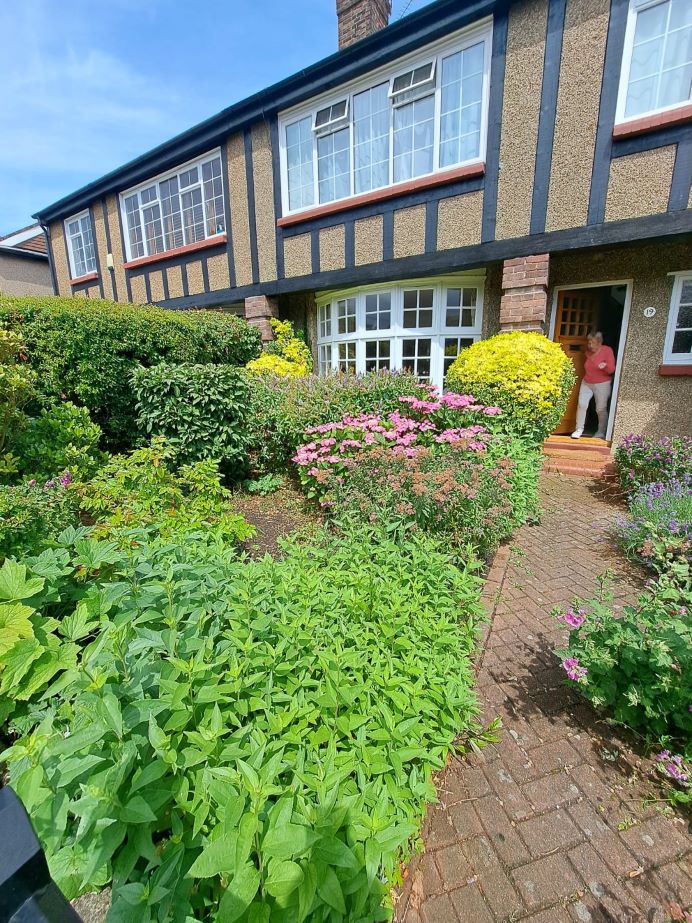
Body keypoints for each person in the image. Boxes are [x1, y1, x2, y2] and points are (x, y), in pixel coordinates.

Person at [572, 331, 616, 440]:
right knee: (582, 404)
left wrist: (605, 365)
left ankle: (601, 432)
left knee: (600, 408)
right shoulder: (588, 352)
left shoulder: (607, 350)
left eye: (592, 342)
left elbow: (612, 369)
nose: (590, 345)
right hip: (587, 382)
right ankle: (579, 429)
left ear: (599, 342)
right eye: (589, 342)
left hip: (602, 383)